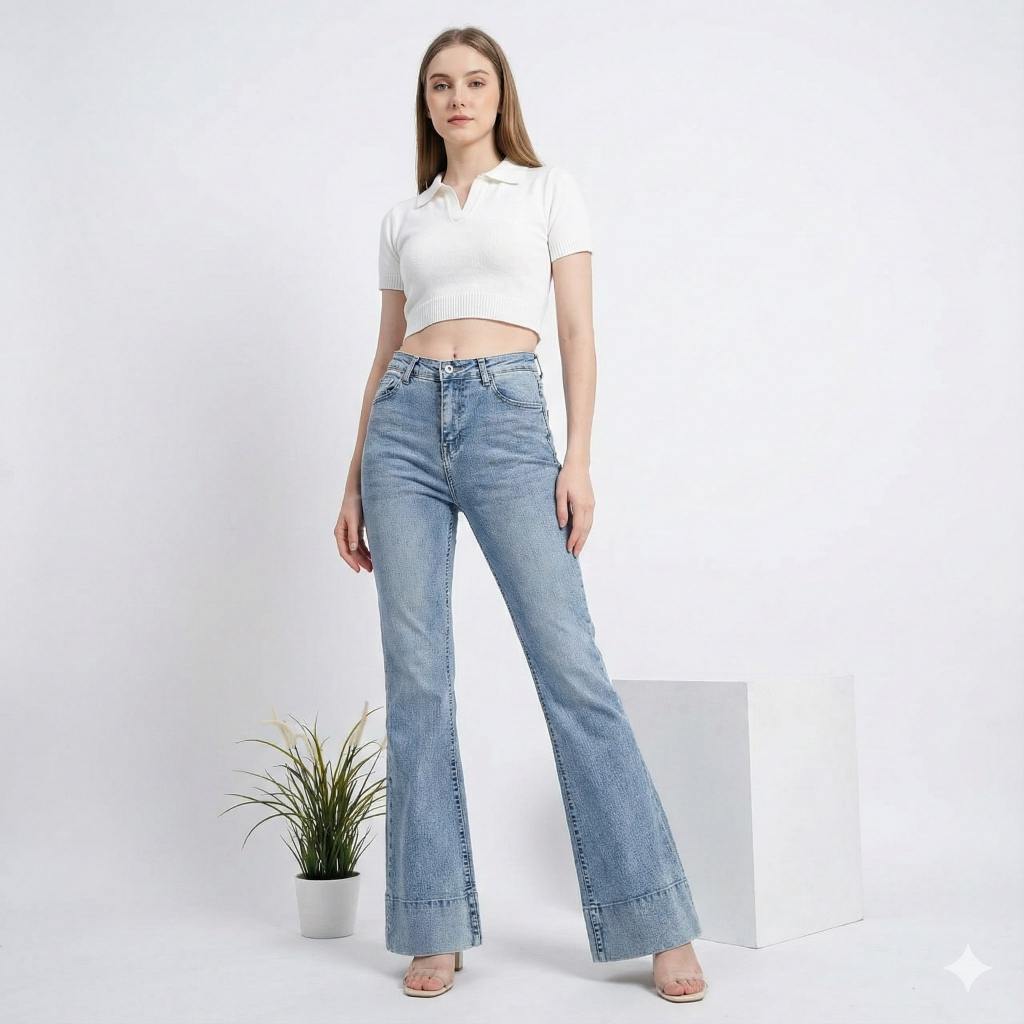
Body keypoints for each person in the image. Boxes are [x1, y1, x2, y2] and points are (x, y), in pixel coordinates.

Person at [334, 26, 708, 1004]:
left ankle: (657, 920)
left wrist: (576, 457)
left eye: (474, 81)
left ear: (501, 95)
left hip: (507, 420)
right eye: (440, 85)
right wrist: (353, 477)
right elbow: (385, 348)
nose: (457, 97)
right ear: (425, 102)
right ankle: (432, 926)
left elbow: (577, 330)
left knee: (571, 669)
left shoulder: (545, 190)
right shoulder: (404, 216)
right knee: (418, 681)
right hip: (402, 428)